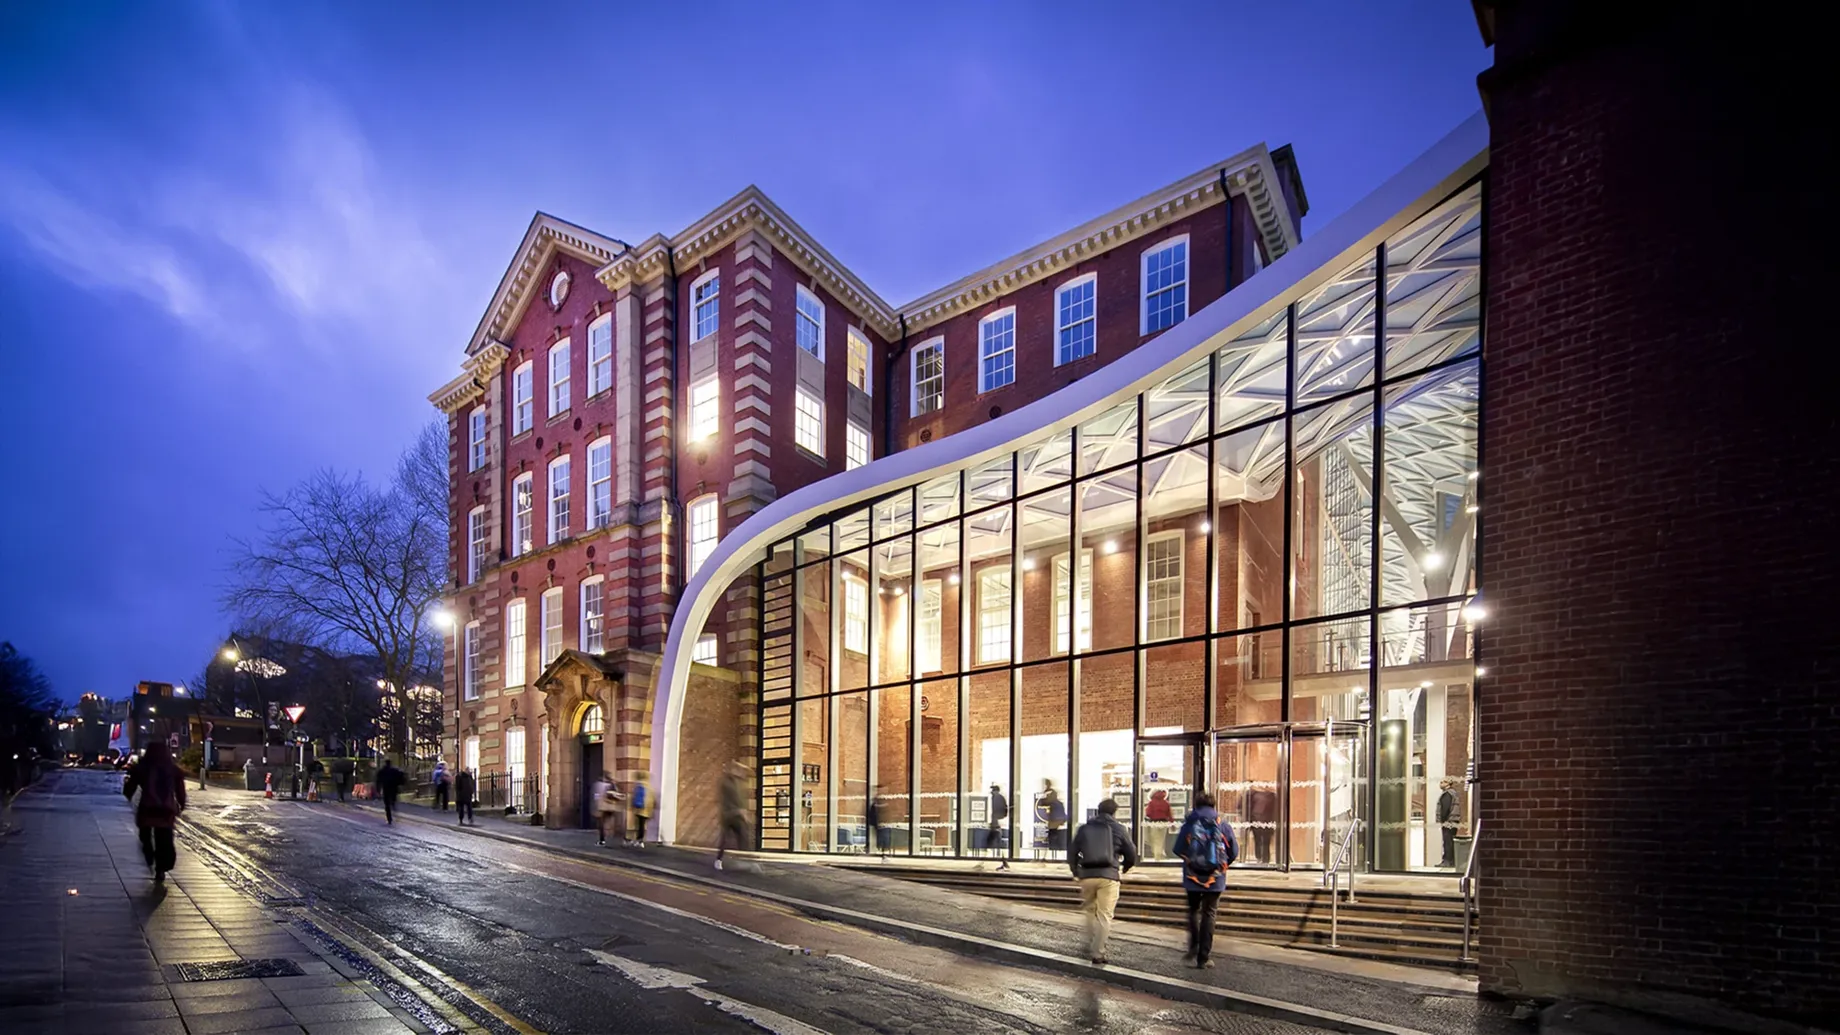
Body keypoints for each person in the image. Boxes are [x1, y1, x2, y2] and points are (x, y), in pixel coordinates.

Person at [1068, 797, 1137, 965]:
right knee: (1104, 915)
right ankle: (1098, 953)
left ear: (1098, 811)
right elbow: (1131, 853)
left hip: (1087, 875)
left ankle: (1089, 944)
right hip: (1108, 876)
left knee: (1090, 911)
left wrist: (1076, 871)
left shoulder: (1085, 828)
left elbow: (1072, 851)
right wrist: (1124, 868)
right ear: (1114, 812)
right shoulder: (1119, 829)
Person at [1174, 791, 1238, 969]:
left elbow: (1177, 848)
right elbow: (1233, 851)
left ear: (1196, 804)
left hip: (1192, 875)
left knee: (1193, 910)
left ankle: (1193, 945)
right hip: (1214, 877)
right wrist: (1222, 865)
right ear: (1214, 805)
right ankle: (1204, 957)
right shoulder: (1222, 824)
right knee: (1209, 913)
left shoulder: (1189, 823)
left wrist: (1189, 860)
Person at [123, 742, 187, 881]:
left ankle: (149, 855)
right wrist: (181, 804)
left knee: (145, 836)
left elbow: (130, 787)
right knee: (164, 838)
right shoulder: (173, 770)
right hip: (166, 809)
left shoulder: (142, 768)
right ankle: (161, 867)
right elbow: (180, 791)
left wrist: (127, 794)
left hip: (148, 807)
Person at [715, 760, 749, 870]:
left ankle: (742, 860)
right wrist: (739, 810)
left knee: (743, 836)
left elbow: (749, 773)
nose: (739, 772)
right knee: (725, 839)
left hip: (737, 815)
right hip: (728, 816)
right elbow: (729, 801)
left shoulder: (737, 782)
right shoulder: (726, 783)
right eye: (736, 770)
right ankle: (718, 860)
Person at [1036, 779, 1068, 855]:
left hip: (1055, 823)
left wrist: (1042, 797)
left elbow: (1044, 802)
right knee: (1056, 840)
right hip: (1058, 822)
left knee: (1053, 840)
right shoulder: (1057, 802)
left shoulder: (1051, 796)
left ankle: (1051, 855)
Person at [591, 771, 622, 846]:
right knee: (609, 822)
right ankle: (619, 837)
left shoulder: (598, 785)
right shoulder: (612, 784)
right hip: (611, 807)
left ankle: (602, 840)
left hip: (602, 807)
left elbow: (596, 797)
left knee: (601, 824)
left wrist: (595, 807)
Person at [1437, 778, 1462, 868]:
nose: (1440, 784)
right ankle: (1451, 860)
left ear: (1448, 784)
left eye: (1442, 782)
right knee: (1450, 841)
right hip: (1453, 820)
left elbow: (1445, 809)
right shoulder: (1454, 793)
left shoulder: (1447, 794)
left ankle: (1447, 861)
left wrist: (1443, 820)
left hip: (1448, 821)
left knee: (1447, 841)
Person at [1144, 789, 1173, 860]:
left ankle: (1157, 857)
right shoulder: (1166, 803)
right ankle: (1160, 855)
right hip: (1164, 823)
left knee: (1155, 839)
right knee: (1161, 840)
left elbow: (1148, 813)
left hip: (1154, 823)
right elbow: (1169, 814)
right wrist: (1172, 823)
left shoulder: (1151, 803)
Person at [375, 759, 406, 825]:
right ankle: (393, 806)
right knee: (392, 800)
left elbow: (378, 780)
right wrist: (401, 784)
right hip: (394, 788)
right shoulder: (394, 771)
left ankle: (389, 818)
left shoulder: (382, 771)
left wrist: (378, 790)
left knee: (387, 804)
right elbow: (401, 777)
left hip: (386, 789)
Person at [988, 783, 1010, 871]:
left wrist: (996, 821)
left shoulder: (997, 798)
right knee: (994, 843)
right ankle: (1003, 862)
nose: (991, 792)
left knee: (995, 843)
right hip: (996, 823)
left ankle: (1003, 862)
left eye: (993, 790)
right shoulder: (997, 798)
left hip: (997, 824)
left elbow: (999, 812)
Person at [626, 774, 651, 847]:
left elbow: (633, 797)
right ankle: (640, 841)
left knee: (637, 825)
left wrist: (631, 806)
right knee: (642, 825)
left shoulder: (638, 786)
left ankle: (636, 840)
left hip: (638, 809)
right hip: (645, 810)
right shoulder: (649, 787)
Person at [866, 792, 887, 859]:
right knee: (879, 837)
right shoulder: (875, 805)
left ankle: (879, 850)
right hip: (876, 824)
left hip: (877, 824)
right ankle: (879, 850)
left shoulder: (875, 805)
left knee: (879, 837)